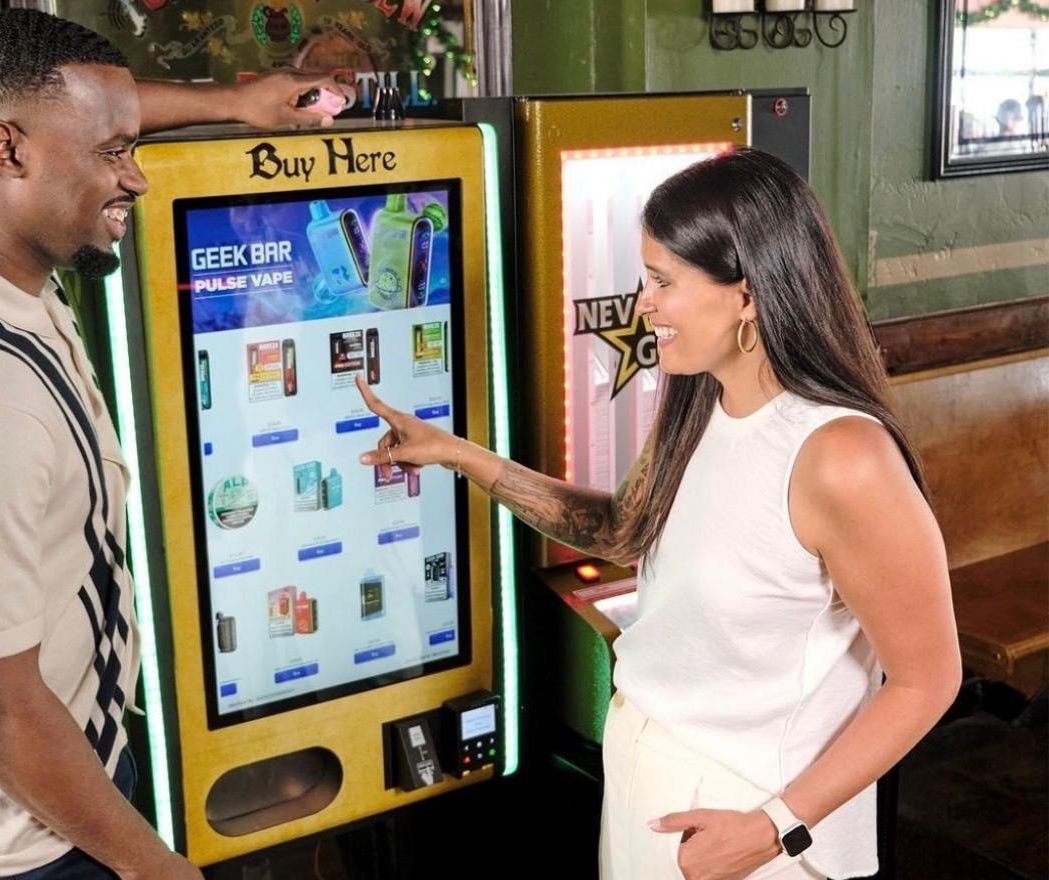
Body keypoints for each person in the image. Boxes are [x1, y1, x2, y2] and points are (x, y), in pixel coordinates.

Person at [0, 9, 348, 880]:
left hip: (53, 759)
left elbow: (69, 105)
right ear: (7, 151)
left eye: (129, 143)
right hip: (7, 836)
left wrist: (240, 101)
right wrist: (152, 867)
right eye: (114, 154)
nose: (138, 178)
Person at [353, 148, 960, 880]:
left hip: (748, 815)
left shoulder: (841, 456)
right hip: (649, 777)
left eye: (663, 281)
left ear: (748, 295)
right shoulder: (701, 399)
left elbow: (928, 680)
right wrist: (461, 456)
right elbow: (617, 530)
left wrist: (775, 828)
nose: (643, 304)